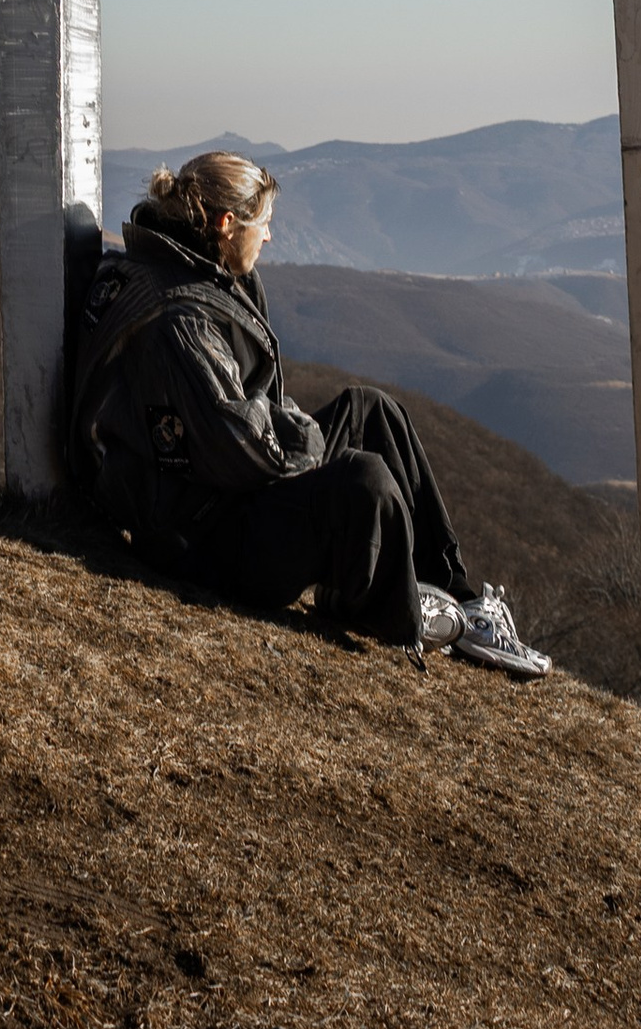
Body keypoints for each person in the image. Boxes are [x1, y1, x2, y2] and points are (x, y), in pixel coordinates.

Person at [70, 148, 551, 678]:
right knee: (362, 481)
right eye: (265, 224)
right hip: (200, 537)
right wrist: (311, 444)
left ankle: (461, 599)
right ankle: (409, 614)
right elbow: (240, 451)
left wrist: (295, 430)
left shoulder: (180, 270)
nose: (270, 237)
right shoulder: (180, 317)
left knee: (374, 412)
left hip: (207, 493)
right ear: (227, 225)